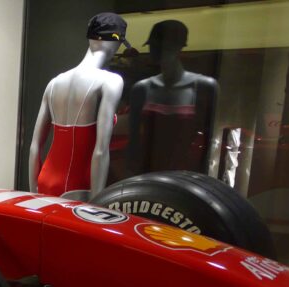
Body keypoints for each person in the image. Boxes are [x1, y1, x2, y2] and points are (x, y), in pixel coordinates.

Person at [29, 13, 128, 200]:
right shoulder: (110, 81)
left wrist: (33, 191)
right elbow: (101, 150)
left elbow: (35, 146)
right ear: (116, 43)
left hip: (44, 180)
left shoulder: (54, 83)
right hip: (78, 185)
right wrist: (97, 203)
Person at [128, 20, 218, 175]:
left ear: (178, 47)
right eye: (153, 45)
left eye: (162, 46)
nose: (154, 50)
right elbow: (134, 144)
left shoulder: (204, 86)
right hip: (147, 174)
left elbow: (208, 144)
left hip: (186, 175)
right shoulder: (142, 88)